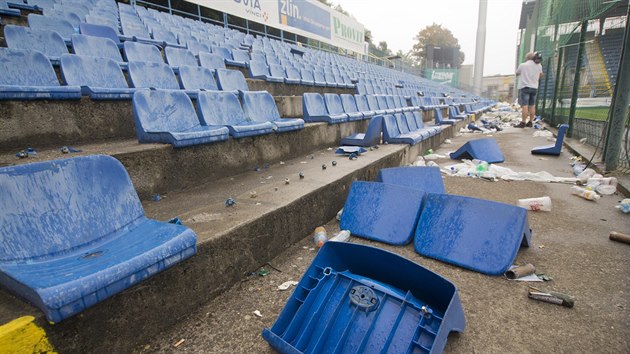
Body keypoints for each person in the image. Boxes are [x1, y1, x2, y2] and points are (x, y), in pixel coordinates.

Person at [515, 51, 544, 128]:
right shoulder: (539, 65)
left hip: (525, 87)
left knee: (525, 106)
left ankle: (523, 122)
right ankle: (530, 122)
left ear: (527, 58)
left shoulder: (523, 65)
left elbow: (517, 73)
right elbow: (541, 75)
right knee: (532, 105)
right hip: (534, 87)